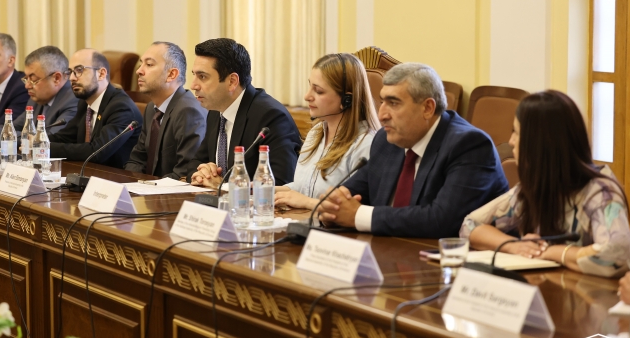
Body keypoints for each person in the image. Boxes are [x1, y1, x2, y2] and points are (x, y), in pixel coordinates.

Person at [317, 62, 508, 237]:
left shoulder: (469, 145)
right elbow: (348, 196)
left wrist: (358, 216)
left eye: (393, 103)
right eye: (382, 102)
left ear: (427, 108)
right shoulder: (387, 140)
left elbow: (442, 220)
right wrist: (332, 208)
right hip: (389, 251)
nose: (382, 115)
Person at [460, 90, 630, 278]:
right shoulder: (535, 186)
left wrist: (552, 252)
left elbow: (616, 254)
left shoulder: (600, 192)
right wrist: (514, 246)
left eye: (516, 132)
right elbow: (469, 225)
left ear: (540, 142)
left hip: (591, 292)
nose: (511, 142)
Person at [187, 38, 301, 187]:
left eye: (202, 77)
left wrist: (224, 186)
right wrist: (203, 172)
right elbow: (194, 163)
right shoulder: (216, 111)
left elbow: (280, 183)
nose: (193, 85)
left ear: (232, 81)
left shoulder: (271, 117)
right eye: (194, 75)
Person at [274, 53, 379, 211]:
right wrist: (262, 191)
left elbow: (354, 210)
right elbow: (303, 187)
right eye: (310, 86)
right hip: (302, 221)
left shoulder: (366, 145)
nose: (307, 96)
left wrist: (306, 202)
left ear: (346, 100)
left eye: (318, 91)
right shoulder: (316, 133)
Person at [124, 42, 206, 178]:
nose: (139, 71)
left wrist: (148, 186)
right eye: (141, 63)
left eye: (149, 64)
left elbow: (185, 173)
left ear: (171, 74)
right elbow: (137, 159)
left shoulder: (189, 112)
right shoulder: (151, 108)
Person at [49, 49, 142, 168]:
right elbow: (65, 137)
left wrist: (44, 148)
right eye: (70, 72)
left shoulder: (121, 107)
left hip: (118, 176)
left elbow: (96, 152)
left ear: (101, 74)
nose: (72, 78)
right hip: (91, 172)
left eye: (79, 70)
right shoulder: (85, 103)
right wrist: (35, 141)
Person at [0, 46, 78, 145]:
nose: (27, 85)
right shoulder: (36, 100)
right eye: (26, 79)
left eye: (33, 79)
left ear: (56, 78)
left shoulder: (73, 101)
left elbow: (49, 140)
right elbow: (14, 128)